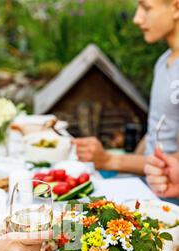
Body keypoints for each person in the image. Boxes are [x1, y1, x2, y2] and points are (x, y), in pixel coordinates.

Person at [72, 0, 179, 175]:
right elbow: (155, 130)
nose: (137, 18)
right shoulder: (163, 62)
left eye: (146, 8)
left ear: (176, 8)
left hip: (167, 197)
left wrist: (109, 160)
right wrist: (124, 175)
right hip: (145, 187)